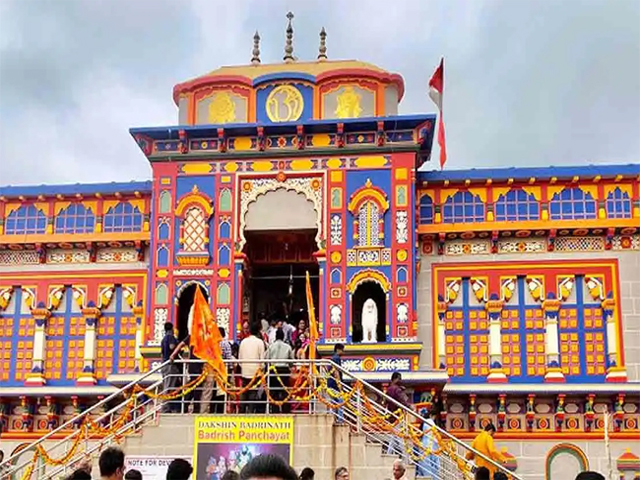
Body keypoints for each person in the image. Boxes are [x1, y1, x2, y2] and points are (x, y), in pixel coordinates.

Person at [238, 321, 266, 413]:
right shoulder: (260, 342)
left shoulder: (243, 342)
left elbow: (239, 359)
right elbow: (262, 361)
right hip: (255, 373)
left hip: (245, 371)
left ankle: (241, 412)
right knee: (253, 394)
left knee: (244, 392)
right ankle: (250, 412)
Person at [265, 328, 294, 413]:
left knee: (274, 392)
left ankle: (275, 410)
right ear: (283, 336)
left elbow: (266, 358)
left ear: (276, 336)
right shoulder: (288, 347)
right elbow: (291, 362)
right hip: (284, 371)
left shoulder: (271, 346)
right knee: (285, 391)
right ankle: (286, 410)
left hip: (273, 371)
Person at [385, 372, 411, 457]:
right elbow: (403, 400)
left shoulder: (388, 389)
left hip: (391, 416)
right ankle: (405, 455)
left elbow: (385, 402)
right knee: (398, 435)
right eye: (399, 378)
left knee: (394, 435)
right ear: (395, 379)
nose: (400, 380)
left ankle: (389, 453)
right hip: (397, 416)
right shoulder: (397, 389)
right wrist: (410, 407)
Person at [211, 326, 233, 413]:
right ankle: (220, 411)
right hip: (223, 370)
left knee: (213, 391)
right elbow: (229, 358)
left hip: (213, 369)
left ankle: (212, 410)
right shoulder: (226, 344)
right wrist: (230, 370)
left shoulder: (212, 343)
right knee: (222, 391)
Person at [161, 322, 180, 413]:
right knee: (169, 386)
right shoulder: (171, 337)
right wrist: (178, 348)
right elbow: (171, 347)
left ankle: (171, 407)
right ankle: (165, 407)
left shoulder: (163, 339)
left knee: (168, 385)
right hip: (170, 366)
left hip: (164, 364)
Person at [327, 343, 345, 422]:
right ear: (338, 350)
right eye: (342, 350)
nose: (343, 352)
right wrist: (339, 383)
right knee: (340, 400)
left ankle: (333, 418)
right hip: (334, 384)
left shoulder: (333, 358)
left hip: (330, 383)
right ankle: (340, 419)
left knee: (334, 401)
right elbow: (336, 371)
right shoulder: (336, 358)